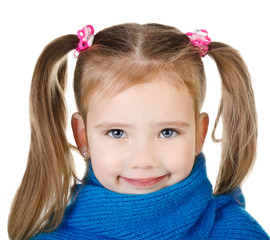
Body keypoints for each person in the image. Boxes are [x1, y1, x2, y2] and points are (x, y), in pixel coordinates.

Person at [8, 23, 269, 240]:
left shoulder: (238, 233)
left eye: (167, 132)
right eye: (117, 133)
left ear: (200, 135)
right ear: (83, 136)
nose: (144, 160)